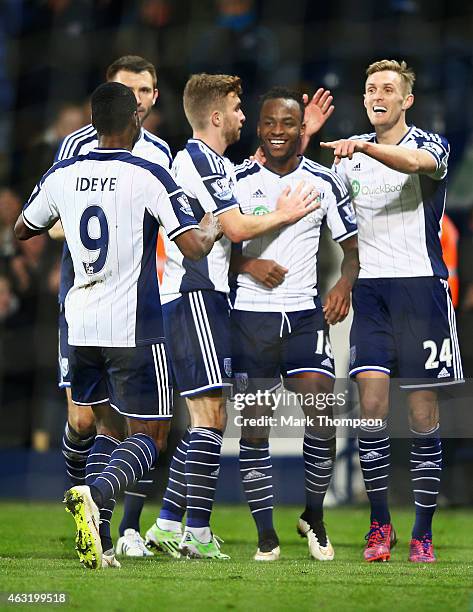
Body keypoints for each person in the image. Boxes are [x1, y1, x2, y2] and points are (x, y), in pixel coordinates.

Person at [14, 81, 221, 570]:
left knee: (99, 428)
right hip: (134, 328)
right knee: (151, 437)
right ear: (135, 121)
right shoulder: (149, 173)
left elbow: (23, 228)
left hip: (79, 324)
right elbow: (191, 246)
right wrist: (210, 229)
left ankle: (99, 536)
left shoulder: (63, 172)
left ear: (91, 123)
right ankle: (96, 492)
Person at [144, 73, 319, 559]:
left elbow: (230, 207)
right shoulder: (198, 159)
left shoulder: (212, 163)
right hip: (194, 293)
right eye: (239, 109)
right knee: (209, 417)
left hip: (207, 296)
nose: (245, 116)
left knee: (210, 420)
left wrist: (302, 136)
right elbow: (238, 226)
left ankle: (179, 526)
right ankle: (180, 527)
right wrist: (286, 213)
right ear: (216, 116)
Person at [320, 59, 463, 563]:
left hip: (422, 292)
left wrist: (363, 145)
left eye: (389, 88)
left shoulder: (430, 144)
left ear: (407, 100)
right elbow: (345, 234)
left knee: (423, 415)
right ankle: (380, 525)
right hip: (373, 296)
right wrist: (345, 279)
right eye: (370, 89)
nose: (378, 94)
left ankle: (423, 531)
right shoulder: (345, 162)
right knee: (372, 409)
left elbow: (413, 166)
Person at [50, 55, 173, 558]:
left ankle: (119, 528)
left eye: (145, 91)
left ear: (155, 96)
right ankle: (86, 512)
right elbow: (53, 221)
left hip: (136, 304)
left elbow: (166, 224)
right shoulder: (77, 146)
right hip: (80, 298)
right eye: (128, 91)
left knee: (136, 423)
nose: (137, 100)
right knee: (86, 423)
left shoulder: (161, 153)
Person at [229, 87, 358, 561]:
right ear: (259, 128)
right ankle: (266, 536)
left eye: (288, 123)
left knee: (323, 417)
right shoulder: (237, 182)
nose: (278, 132)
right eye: (270, 123)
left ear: (301, 128)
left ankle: (315, 516)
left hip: (305, 316)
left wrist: (343, 285)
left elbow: (353, 249)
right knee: (256, 427)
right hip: (251, 321)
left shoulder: (324, 182)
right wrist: (248, 267)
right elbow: (210, 253)